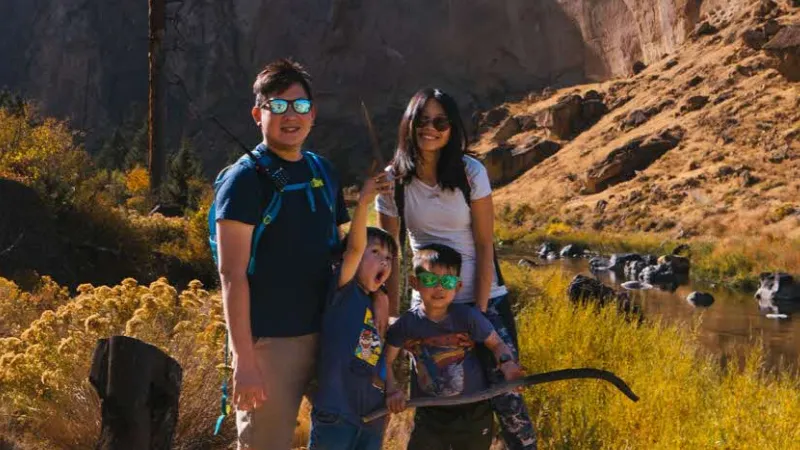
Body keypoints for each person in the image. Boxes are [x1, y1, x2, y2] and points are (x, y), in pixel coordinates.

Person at [376, 88, 537, 449]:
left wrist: (477, 314)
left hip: (483, 299)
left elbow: (484, 244)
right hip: (429, 307)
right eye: (422, 120)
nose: (430, 128)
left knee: (508, 399)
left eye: (440, 122)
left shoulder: (469, 172)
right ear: (408, 123)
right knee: (437, 398)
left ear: (452, 129)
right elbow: (391, 255)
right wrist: (394, 313)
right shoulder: (393, 180)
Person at [214, 59, 351, 450]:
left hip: (328, 334)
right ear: (258, 114)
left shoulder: (323, 171)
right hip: (270, 344)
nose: (291, 115)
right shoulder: (244, 180)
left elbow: (340, 253)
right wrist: (244, 360)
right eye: (278, 106)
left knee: (346, 435)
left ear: (313, 114)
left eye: (300, 105)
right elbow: (232, 275)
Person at [384, 243, 524, 450]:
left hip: (473, 411)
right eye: (430, 280)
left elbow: (496, 344)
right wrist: (392, 389)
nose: (439, 288)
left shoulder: (468, 317)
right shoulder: (406, 324)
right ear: (415, 282)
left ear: (457, 287)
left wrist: (508, 364)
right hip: (429, 414)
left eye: (447, 281)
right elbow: (386, 361)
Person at [309, 171, 396, 450]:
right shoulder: (344, 291)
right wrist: (364, 203)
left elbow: (378, 361)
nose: (384, 261)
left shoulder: (377, 304)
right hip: (336, 416)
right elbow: (355, 249)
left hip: (371, 419)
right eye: (375, 252)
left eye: (389, 258)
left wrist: (392, 390)